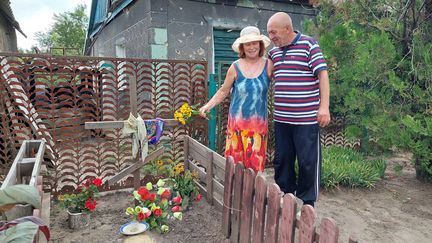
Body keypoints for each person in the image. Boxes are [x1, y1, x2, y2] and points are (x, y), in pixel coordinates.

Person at [267, 12, 331, 207]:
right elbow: (263, 76)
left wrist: (324, 107)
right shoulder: (274, 52)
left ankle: (308, 203)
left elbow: (323, 76)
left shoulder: (309, 45)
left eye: (273, 32)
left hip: (305, 119)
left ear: (287, 28)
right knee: (282, 161)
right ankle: (286, 198)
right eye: (269, 33)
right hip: (282, 119)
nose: (271, 37)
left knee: (307, 162)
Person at [199, 26, 273, 172]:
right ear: (242, 47)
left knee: (255, 170)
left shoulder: (269, 65)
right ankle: (234, 195)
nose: (252, 47)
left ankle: (252, 195)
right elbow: (223, 91)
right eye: (247, 44)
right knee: (234, 169)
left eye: (254, 43)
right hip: (236, 128)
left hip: (257, 129)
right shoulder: (235, 67)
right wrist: (207, 106)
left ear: (260, 45)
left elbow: (285, 83)